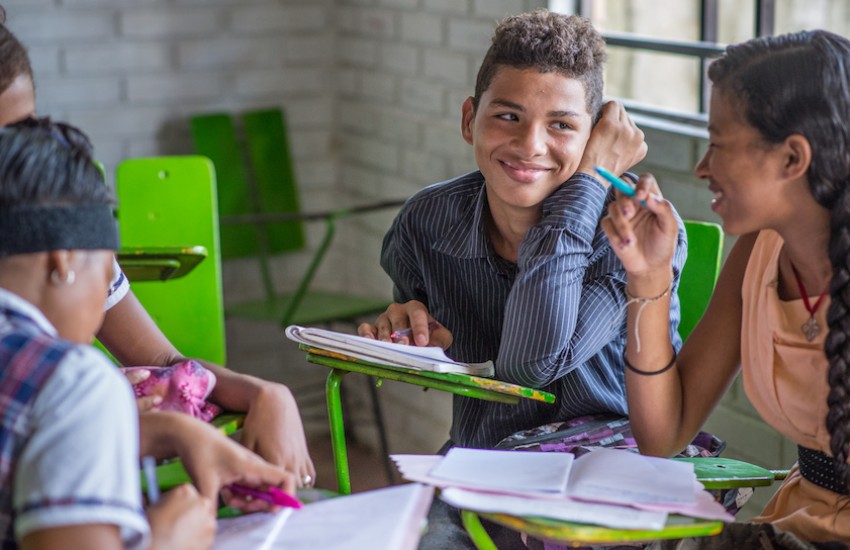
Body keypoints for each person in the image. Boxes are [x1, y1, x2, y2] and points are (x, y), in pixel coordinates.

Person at [358, 10, 687, 549]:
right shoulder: (426, 221)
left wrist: (586, 185)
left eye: (562, 124)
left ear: (595, 138)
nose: (531, 144)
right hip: (481, 467)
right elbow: (427, 326)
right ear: (469, 119)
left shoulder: (636, 232)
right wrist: (412, 331)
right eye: (508, 116)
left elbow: (532, 365)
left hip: (605, 473)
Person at [0, 10, 315, 487]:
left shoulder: (59, 238)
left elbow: (167, 366)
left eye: (22, 135)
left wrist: (265, 394)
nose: (15, 160)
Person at [602, 30, 850, 548]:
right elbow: (663, 434)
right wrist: (650, 275)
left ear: (792, 159)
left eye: (717, 144)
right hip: (797, 523)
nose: (701, 168)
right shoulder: (759, 254)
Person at [0, 124, 295, 550]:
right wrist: (168, 540)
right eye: (106, 273)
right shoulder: (70, 378)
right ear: (63, 260)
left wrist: (171, 431)